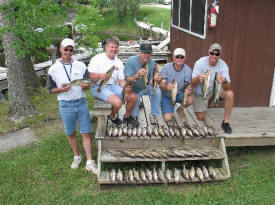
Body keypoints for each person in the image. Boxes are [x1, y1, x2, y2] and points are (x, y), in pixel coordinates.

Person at [47, 38, 97, 173]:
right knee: (70, 132)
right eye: (66, 49)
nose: (68, 52)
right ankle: (77, 156)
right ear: (61, 49)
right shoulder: (53, 69)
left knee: (86, 132)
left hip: (81, 103)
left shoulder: (81, 66)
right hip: (65, 105)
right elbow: (50, 90)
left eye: (71, 49)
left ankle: (90, 161)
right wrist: (60, 90)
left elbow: (87, 85)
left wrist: (86, 86)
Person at [88, 37, 139, 127]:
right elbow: (90, 75)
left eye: (116, 47)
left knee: (133, 97)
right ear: (106, 47)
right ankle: (112, 116)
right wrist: (100, 75)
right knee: (118, 102)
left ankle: (127, 117)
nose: (114, 49)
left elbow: (121, 80)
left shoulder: (118, 61)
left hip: (112, 86)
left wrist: (126, 87)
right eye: (112, 47)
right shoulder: (97, 59)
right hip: (98, 87)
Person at [192, 43, 234, 134]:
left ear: (220, 55)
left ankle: (226, 122)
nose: (214, 56)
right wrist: (198, 78)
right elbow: (192, 83)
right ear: (208, 53)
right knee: (200, 117)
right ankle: (207, 102)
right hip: (200, 92)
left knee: (230, 94)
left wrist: (225, 81)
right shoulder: (200, 62)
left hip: (215, 89)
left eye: (217, 54)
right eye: (212, 53)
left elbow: (227, 88)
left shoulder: (223, 65)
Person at [124, 43, 162, 124]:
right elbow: (127, 80)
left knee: (157, 91)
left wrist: (155, 79)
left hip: (145, 86)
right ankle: (137, 104)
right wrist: (137, 75)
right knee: (134, 116)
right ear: (139, 52)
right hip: (134, 90)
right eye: (144, 53)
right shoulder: (130, 61)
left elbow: (151, 80)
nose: (147, 55)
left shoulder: (152, 63)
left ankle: (154, 114)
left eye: (149, 53)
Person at [159, 48, 193, 123]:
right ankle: (165, 106)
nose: (179, 59)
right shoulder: (166, 67)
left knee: (190, 99)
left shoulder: (188, 70)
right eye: (177, 57)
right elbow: (161, 84)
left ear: (185, 58)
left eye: (182, 57)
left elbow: (187, 85)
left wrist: (189, 91)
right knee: (168, 119)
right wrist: (166, 87)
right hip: (167, 95)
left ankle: (180, 109)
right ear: (173, 58)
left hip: (180, 93)